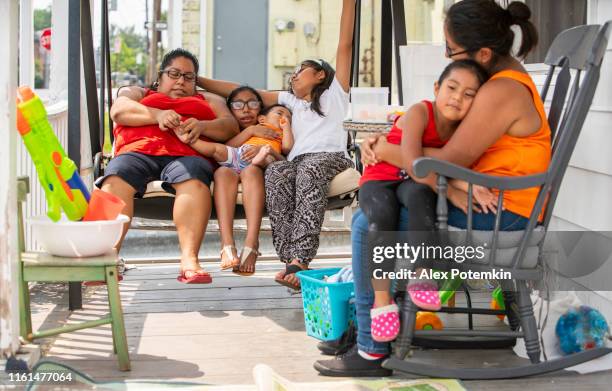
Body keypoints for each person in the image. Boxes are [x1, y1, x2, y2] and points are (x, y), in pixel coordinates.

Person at [315, 0, 549, 376]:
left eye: (450, 49)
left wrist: (386, 147)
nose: (444, 55)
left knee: (365, 224)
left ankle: (371, 349)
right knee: (384, 203)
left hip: (502, 214)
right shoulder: (499, 81)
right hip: (488, 198)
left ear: (484, 53)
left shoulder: (501, 91)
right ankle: (372, 323)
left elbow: (441, 163)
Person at [196, 0, 356, 289]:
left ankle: (301, 260)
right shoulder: (290, 100)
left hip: (330, 158)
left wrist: (349, 4)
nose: (293, 75)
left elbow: (345, 44)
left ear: (320, 75)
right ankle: (289, 262)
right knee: (277, 173)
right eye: (292, 73)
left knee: (308, 172)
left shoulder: (335, 93)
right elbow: (241, 91)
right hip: (296, 161)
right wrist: (197, 80)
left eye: (301, 70)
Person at [359, 60, 489, 343]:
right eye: (452, 88)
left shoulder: (464, 130)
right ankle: (382, 301)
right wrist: (452, 191)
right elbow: (413, 161)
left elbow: (444, 169)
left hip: (412, 182)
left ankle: (422, 274)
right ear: (437, 88)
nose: (457, 98)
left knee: (422, 198)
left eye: (469, 95)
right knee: (381, 215)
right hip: (380, 176)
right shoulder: (421, 111)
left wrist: (459, 184)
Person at [97, 48, 239, 284]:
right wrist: (158, 115)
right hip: (139, 152)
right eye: (174, 74)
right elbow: (118, 111)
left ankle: (189, 260)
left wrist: (203, 127)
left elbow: (230, 126)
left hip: (186, 155)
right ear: (160, 76)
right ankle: (106, 257)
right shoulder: (140, 93)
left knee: (194, 176)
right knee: (117, 175)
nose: (181, 81)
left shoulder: (208, 99)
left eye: (189, 76)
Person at [213, 86, 281, 275]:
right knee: (222, 172)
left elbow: (282, 154)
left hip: (256, 174)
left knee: (251, 171)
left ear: (260, 108)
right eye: (238, 105)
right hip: (230, 173)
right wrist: (251, 131)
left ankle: (251, 243)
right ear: (230, 109)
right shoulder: (227, 128)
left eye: (252, 103)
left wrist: (264, 151)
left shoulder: (269, 127)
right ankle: (227, 244)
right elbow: (222, 149)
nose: (245, 109)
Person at [173, 104, 293, 176]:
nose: (284, 118)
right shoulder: (256, 128)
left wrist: (286, 128)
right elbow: (230, 145)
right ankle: (190, 140)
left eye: (288, 117)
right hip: (239, 154)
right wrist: (251, 131)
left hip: (261, 159)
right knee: (216, 149)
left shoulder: (282, 133)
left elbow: (286, 148)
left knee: (269, 159)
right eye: (280, 113)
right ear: (262, 119)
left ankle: (259, 159)